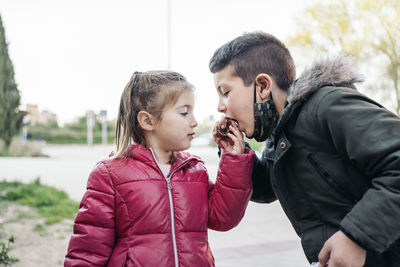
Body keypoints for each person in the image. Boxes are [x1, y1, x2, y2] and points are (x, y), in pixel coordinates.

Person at [209, 32, 400, 267]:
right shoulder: (281, 133)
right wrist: (236, 155)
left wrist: (355, 236)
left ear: (262, 86)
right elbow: (266, 187)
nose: (220, 106)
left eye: (226, 92)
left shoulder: (326, 105)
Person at [64, 71, 254, 266]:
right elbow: (88, 251)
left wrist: (234, 159)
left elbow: (224, 218)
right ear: (148, 121)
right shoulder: (110, 175)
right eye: (184, 112)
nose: (195, 121)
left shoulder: (195, 171)